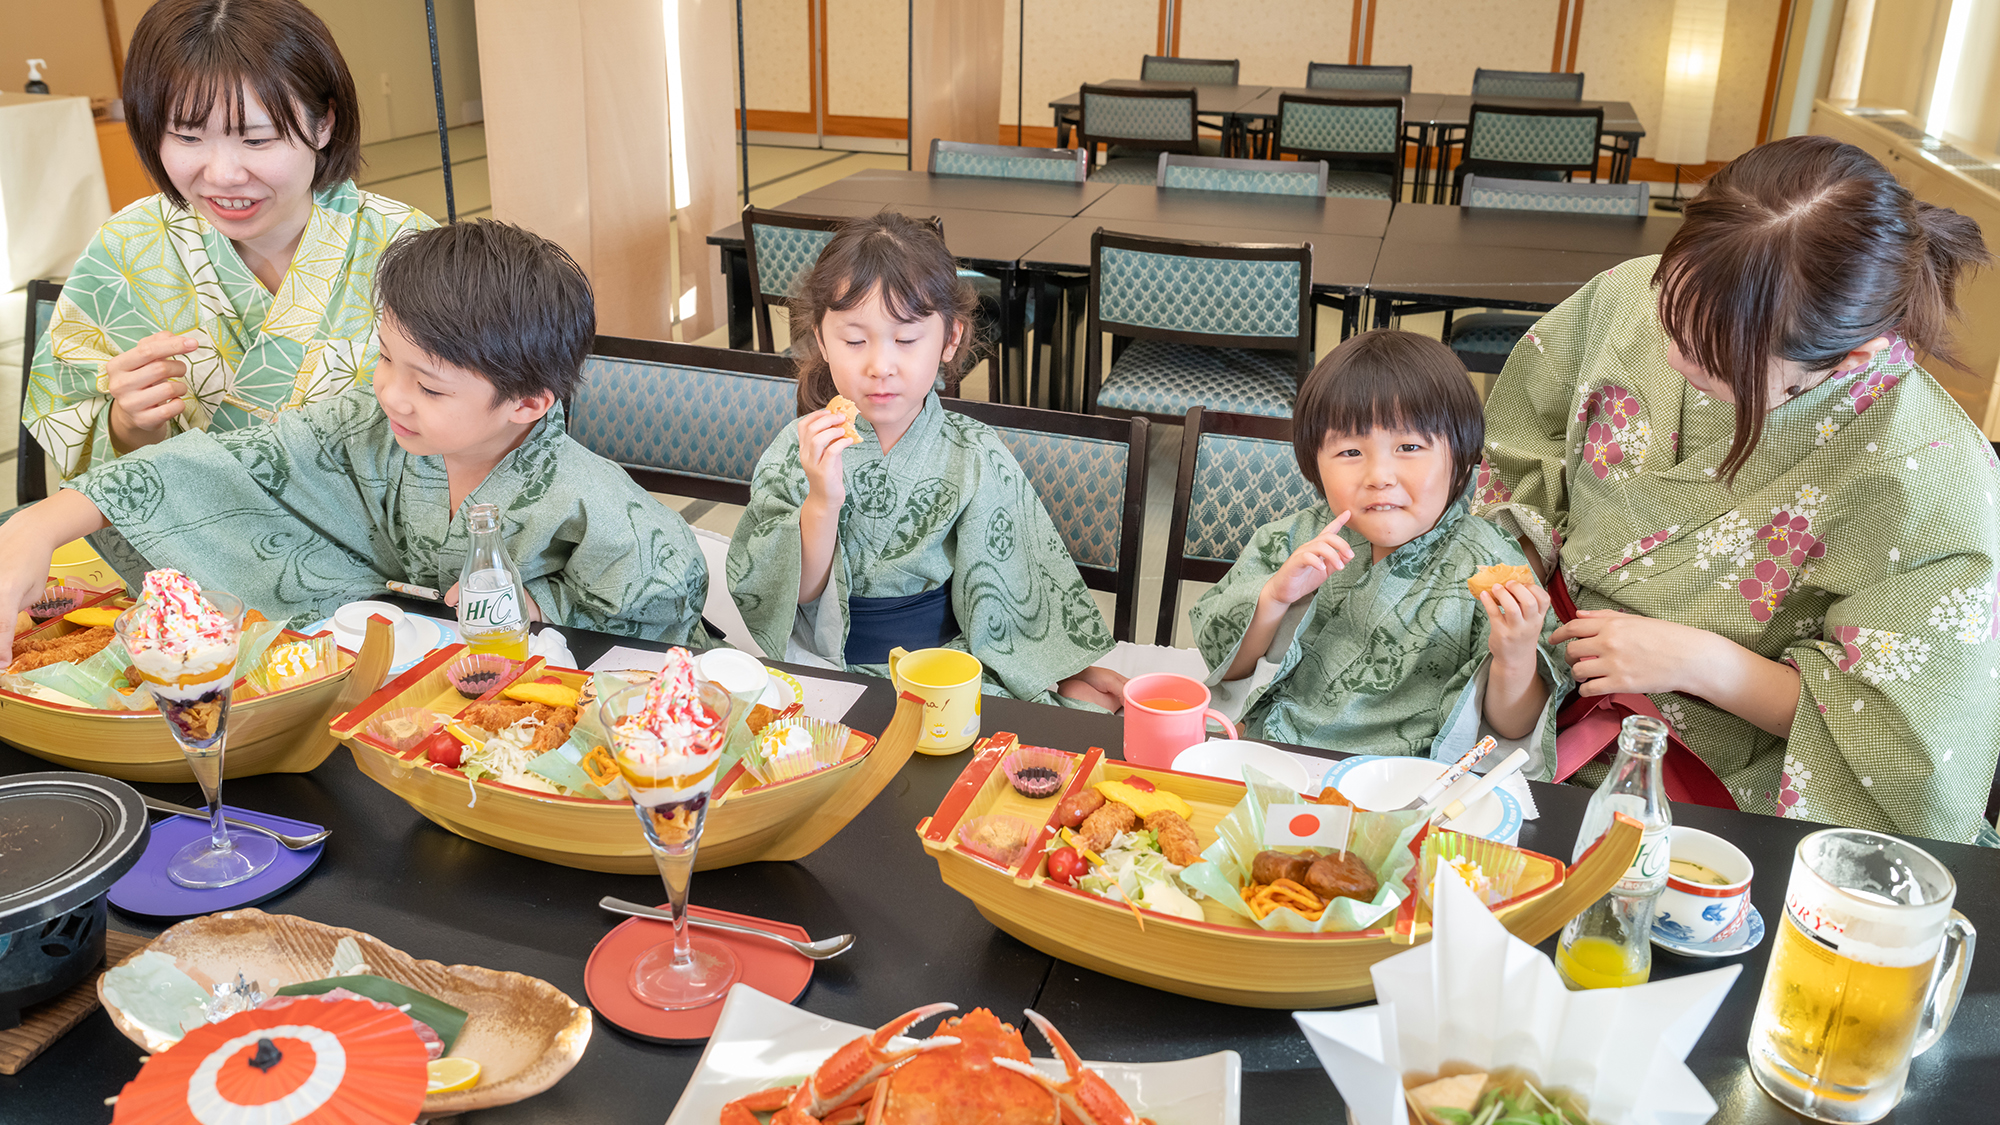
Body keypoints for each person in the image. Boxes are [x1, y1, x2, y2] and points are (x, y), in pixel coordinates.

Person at [1478, 134, 2000, 844]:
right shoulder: (1630, 296)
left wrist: (1706, 663)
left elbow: (1902, 748)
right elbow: (1510, 456)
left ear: (1853, 356)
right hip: (1526, 694)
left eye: (1716, 358)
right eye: (1671, 311)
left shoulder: (1932, 472)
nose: (1671, 355)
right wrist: (1516, 598)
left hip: (1726, 781)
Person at [0, 221, 710, 662]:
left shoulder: (587, 495)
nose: (392, 393)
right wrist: (45, 520)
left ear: (528, 402)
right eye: (384, 358)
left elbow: (661, 600)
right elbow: (239, 462)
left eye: (430, 387)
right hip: (407, 667)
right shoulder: (362, 427)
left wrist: (542, 610)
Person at [727, 213, 1128, 709]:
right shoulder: (798, 448)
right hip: (824, 663)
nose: (880, 365)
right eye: (855, 340)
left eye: (907, 339)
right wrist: (823, 499)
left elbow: (1014, 584)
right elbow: (797, 594)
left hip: (945, 666)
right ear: (821, 339)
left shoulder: (974, 452)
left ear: (950, 338)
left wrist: (1065, 671)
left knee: (1083, 717)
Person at [25, 0, 434, 482]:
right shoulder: (127, 250)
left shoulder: (406, 247)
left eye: (256, 140)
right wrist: (131, 422)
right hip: (190, 546)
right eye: (187, 137)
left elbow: (477, 434)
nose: (222, 176)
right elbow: (77, 439)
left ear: (323, 123)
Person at [1191, 330, 1569, 763]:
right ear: (1313, 462)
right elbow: (1229, 666)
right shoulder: (1294, 540)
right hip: (1275, 746)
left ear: (1462, 458)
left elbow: (1514, 726)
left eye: (1409, 446)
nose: (1379, 475)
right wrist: (1276, 596)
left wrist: (1515, 654)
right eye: (1350, 451)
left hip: (1403, 775)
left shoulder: (1488, 559)